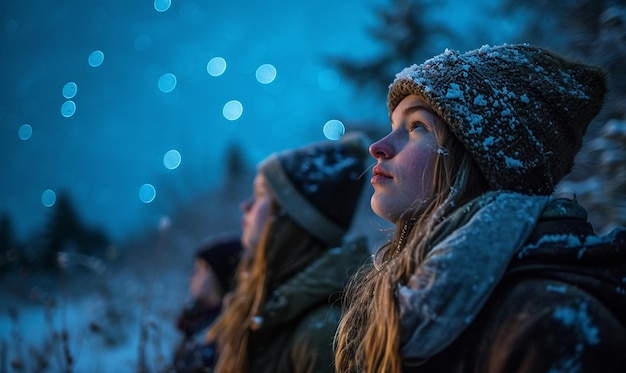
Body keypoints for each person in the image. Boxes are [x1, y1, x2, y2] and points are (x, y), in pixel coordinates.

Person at [334, 44, 626, 373]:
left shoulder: (550, 324)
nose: (378, 147)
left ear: (482, 160)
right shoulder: (400, 298)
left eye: (417, 126)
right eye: (393, 126)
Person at [206, 132, 372, 373]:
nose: (246, 206)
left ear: (291, 219)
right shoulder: (261, 300)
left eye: (261, 194)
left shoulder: (322, 331)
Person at [170, 234, 243, 372]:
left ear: (220, 274)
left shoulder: (227, 327)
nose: (192, 274)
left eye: (201, 269)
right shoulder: (195, 321)